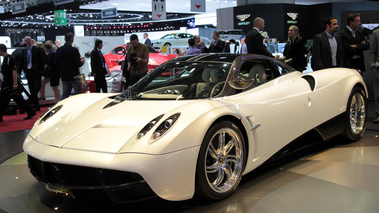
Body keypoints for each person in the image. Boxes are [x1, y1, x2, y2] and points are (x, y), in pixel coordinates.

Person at [0, 44, 36, 122]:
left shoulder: (10, 59)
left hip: (10, 83)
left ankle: (30, 111)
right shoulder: (5, 59)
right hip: (6, 83)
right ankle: (30, 111)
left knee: (16, 99)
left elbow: (14, 72)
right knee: (6, 100)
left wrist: (15, 83)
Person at [17, 36, 45, 111]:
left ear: (32, 41)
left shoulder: (38, 49)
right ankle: (36, 105)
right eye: (26, 40)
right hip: (28, 72)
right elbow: (22, 62)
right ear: (24, 42)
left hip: (36, 71)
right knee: (32, 89)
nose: (28, 41)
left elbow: (42, 60)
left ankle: (28, 102)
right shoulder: (24, 51)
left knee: (37, 88)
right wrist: (18, 72)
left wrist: (41, 70)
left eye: (29, 40)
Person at [56, 32, 85, 100]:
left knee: (65, 94)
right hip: (75, 75)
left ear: (65, 39)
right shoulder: (74, 50)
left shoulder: (59, 50)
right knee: (79, 94)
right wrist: (82, 62)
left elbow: (57, 63)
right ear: (72, 40)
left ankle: (60, 107)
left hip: (64, 75)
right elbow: (78, 64)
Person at [369, 28, 379, 123]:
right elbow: (373, 51)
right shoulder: (376, 33)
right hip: (378, 68)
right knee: (378, 93)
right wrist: (372, 65)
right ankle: (378, 114)